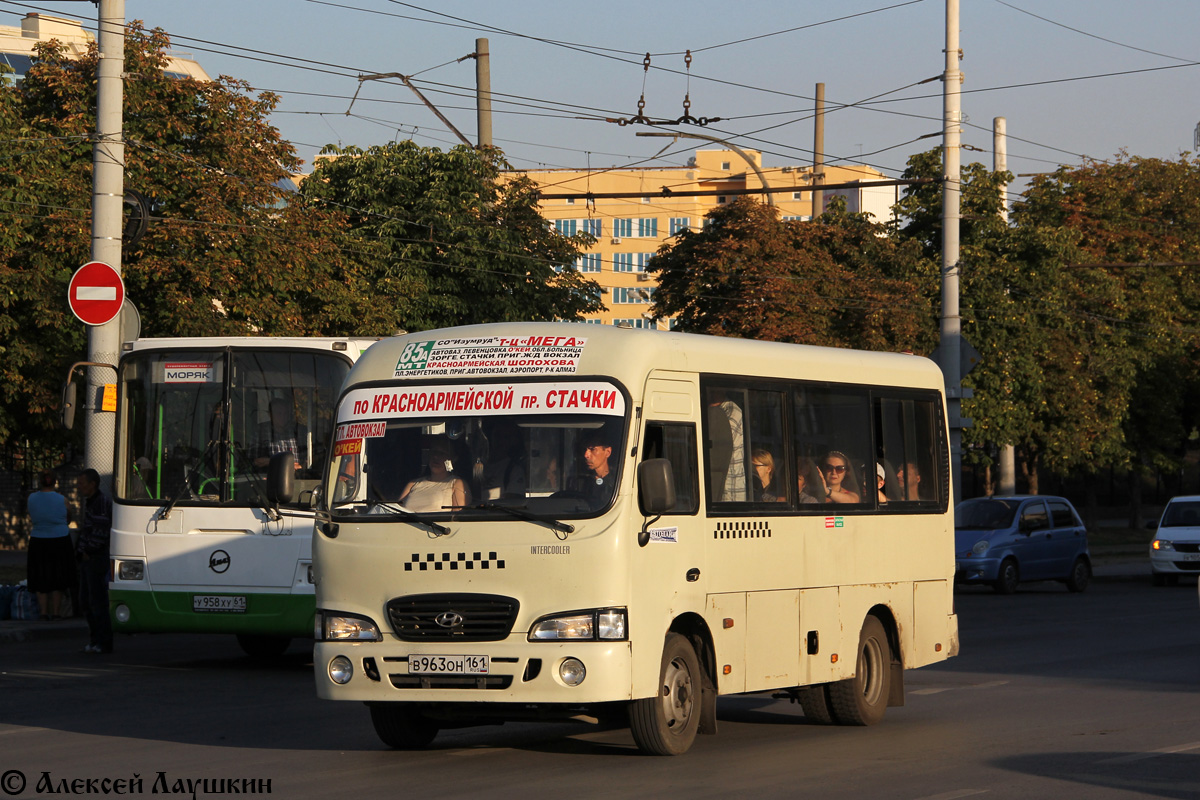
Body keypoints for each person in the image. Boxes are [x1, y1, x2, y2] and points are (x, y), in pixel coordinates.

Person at [26, 469, 76, 621]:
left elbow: (32, 516)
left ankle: (42, 612)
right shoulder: (63, 500)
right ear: (55, 481)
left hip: (38, 540)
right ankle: (56, 612)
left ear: (39, 481)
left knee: (40, 575)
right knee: (58, 576)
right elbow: (68, 518)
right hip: (60, 540)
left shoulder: (31, 498)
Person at [76, 469, 113, 654]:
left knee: (96, 601)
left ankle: (103, 641)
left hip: (96, 559)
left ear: (92, 484)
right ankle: (95, 639)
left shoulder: (100, 503)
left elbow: (100, 532)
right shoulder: (91, 502)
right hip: (88, 558)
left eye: (82, 483)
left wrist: (87, 550)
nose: (79, 487)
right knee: (87, 601)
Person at [398, 443, 468, 513]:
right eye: (434, 452)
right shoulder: (413, 484)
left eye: (442, 453)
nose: (436, 456)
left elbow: (458, 517)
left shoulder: (457, 484)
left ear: (453, 459)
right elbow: (397, 509)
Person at [255, 397, 307, 471]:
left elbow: (310, 457)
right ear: (270, 414)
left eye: (285, 413)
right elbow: (254, 461)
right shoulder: (261, 432)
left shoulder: (299, 431)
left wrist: (302, 466)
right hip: (269, 478)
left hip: (299, 479)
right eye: (279, 413)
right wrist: (282, 463)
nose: (283, 417)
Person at [578, 431, 616, 509]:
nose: (586, 455)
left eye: (592, 449)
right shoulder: (579, 481)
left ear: (608, 452)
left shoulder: (617, 482)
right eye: (585, 449)